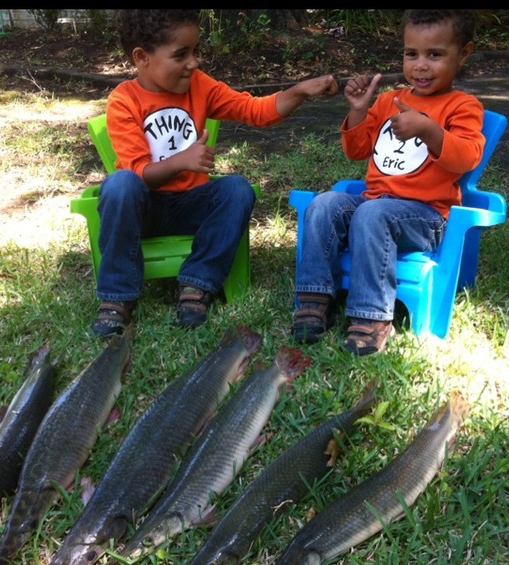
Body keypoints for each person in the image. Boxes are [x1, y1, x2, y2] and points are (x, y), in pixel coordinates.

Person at [92, 9, 339, 338]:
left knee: (237, 188)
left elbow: (254, 110)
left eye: (195, 51)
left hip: (191, 204)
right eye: (181, 54)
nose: (194, 63)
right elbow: (139, 174)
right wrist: (182, 160)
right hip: (144, 209)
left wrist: (299, 91)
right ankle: (117, 298)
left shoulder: (200, 86)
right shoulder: (124, 100)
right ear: (142, 57)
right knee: (119, 184)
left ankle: (197, 285)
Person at [291, 9, 485, 356]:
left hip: (426, 216)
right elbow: (356, 150)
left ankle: (371, 317)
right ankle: (315, 298)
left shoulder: (462, 106)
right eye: (412, 54)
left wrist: (428, 129)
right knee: (324, 204)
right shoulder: (387, 101)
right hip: (374, 204)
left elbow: (467, 157)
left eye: (434, 55)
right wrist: (359, 111)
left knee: (373, 213)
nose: (420, 66)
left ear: (464, 53)